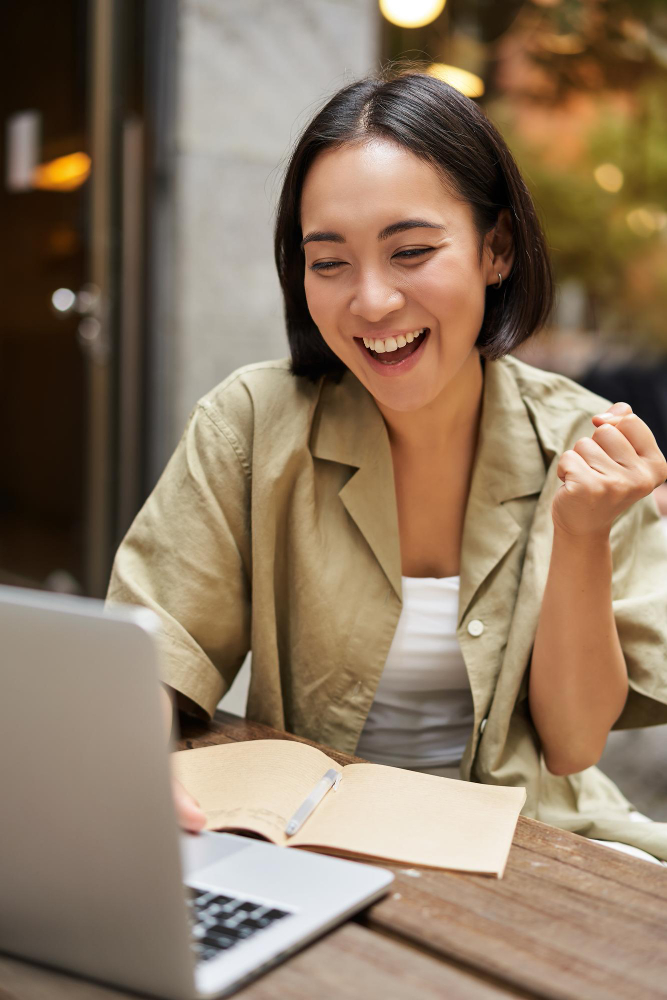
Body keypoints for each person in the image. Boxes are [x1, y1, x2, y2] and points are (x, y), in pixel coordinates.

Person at [107, 72, 667, 862]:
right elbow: (150, 650)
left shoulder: (582, 441)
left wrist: (579, 534)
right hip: (310, 845)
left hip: (534, 844)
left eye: (410, 252)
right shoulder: (250, 425)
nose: (370, 302)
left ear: (495, 248)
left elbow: (573, 747)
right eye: (328, 262)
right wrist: (130, 755)